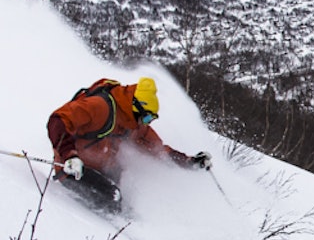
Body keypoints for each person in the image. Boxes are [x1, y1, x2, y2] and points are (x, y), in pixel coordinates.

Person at [46, 77, 211, 210]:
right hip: (74, 169)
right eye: (147, 117)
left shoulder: (133, 125)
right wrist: (69, 156)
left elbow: (159, 150)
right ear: (135, 107)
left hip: (103, 170)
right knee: (112, 198)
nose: (146, 123)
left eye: (151, 119)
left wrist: (190, 162)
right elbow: (58, 120)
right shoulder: (100, 107)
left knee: (123, 201)